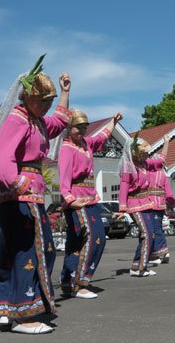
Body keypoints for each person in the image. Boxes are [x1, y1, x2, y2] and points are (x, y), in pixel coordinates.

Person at [0, 55, 71, 334]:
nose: (48, 106)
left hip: (30, 196)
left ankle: (7, 306)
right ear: (29, 97)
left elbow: (60, 122)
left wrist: (65, 92)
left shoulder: (37, 121)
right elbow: (1, 157)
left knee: (33, 250)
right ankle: (24, 315)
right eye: (44, 101)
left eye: (50, 101)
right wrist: (16, 185)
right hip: (19, 196)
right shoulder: (18, 119)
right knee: (30, 252)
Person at [58, 110, 122, 298]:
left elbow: (103, 136)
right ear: (69, 128)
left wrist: (114, 122)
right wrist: (70, 200)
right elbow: (64, 178)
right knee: (96, 237)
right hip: (78, 202)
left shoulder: (87, 144)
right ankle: (81, 282)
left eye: (85, 127)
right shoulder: (67, 149)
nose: (82, 131)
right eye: (78, 127)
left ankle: (68, 282)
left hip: (90, 199)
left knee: (76, 243)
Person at [118, 134, 169, 276]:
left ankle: (139, 265)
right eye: (144, 154)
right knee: (146, 234)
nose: (146, 156)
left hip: (147, 203)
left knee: (150, 235)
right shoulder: (128, 165)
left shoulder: (145, 164)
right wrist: (122, 208)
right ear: (135, 153)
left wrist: (166, 143)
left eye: (146, 154)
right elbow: (124, 185)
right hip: (134, 204)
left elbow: (160, 161)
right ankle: (138, 267)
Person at [147, 147, 175, 265]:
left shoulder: (147, 173)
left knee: (153, 230)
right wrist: (171, 204)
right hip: (160, 205)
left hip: (149, 204)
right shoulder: (163, 175)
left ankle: (159, 252)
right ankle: (162, 251)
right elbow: (169, 193)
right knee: (158, 228)